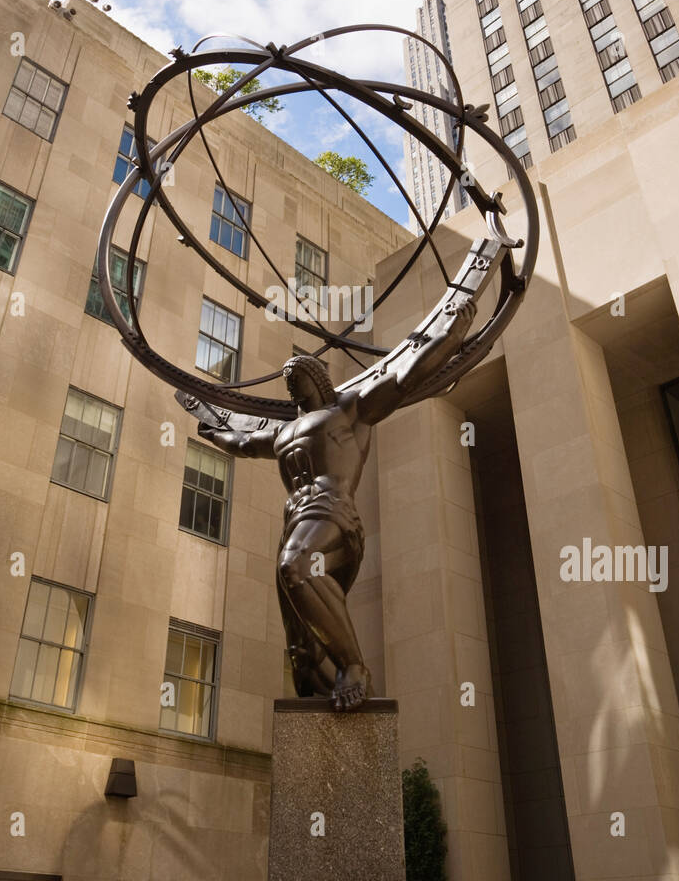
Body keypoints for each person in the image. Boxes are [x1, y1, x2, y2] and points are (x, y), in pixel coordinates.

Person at [198, 294, 476, 710]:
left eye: (300, 375)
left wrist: (451, 334)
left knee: (295, 565)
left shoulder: (350, 409)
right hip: (296, 520)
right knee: (303, 654)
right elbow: (240, 441)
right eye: (288, 379)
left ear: (318, 378)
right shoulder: (283, 433)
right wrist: (206, 418)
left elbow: (403, 379)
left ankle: (354, 666)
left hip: (333, 514)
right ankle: (331, 699)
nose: (292, 383)